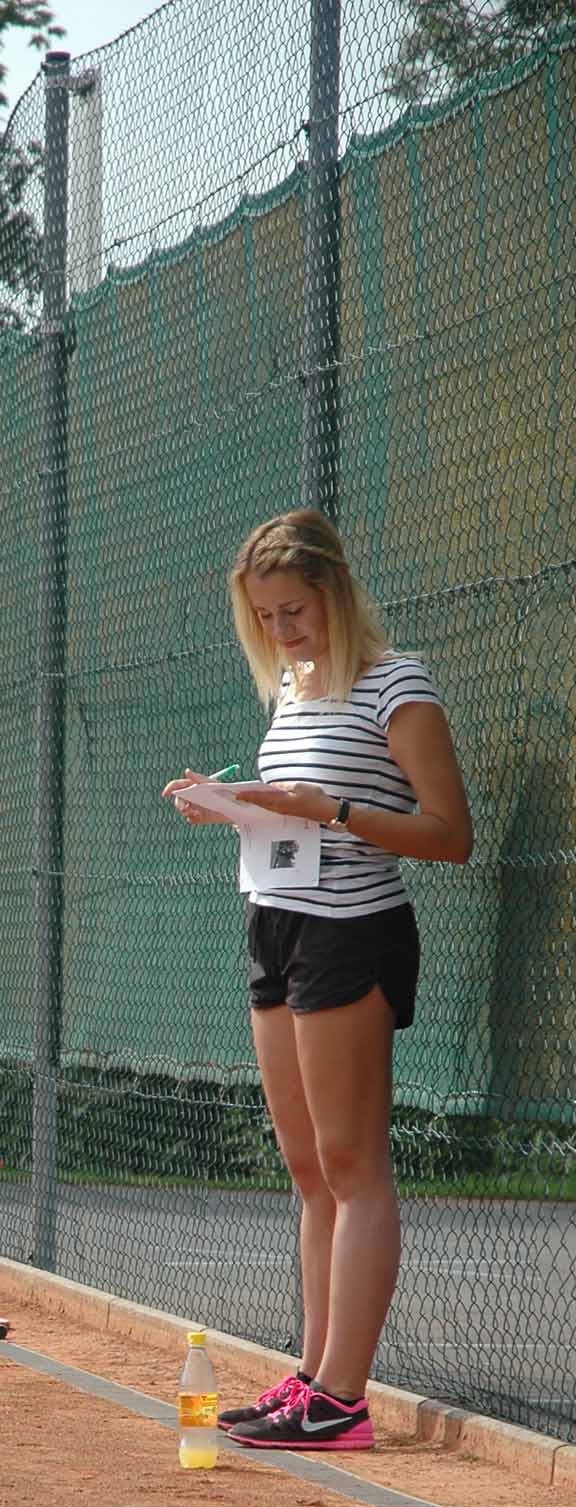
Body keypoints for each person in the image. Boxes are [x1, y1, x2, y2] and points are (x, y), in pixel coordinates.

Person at [163, 509, 472, 1448]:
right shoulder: (292, 690)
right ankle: (311, 1379)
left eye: (293, 611)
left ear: (334, 592)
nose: (280, 631)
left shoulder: (397, 683)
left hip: (353, 932)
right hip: (276, 923)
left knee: (352, 1166)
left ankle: (344, 1398)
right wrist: (232, 804)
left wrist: (330, 808)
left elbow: (449, 834)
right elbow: (290, 814)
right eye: (264, 617)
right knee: (307, 1171)